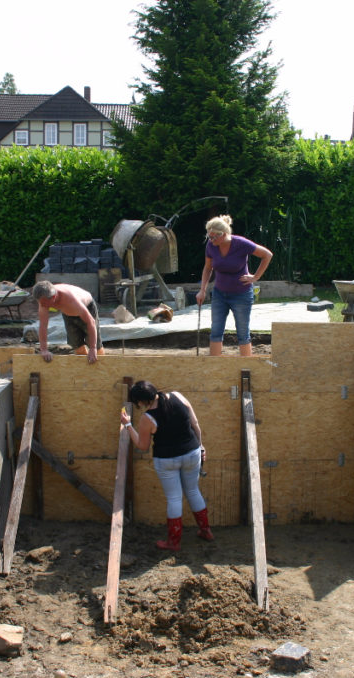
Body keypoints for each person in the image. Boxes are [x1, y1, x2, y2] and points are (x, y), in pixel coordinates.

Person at [120, 380, 214, 550]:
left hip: (167, 460)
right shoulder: (178, 396)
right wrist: (200, 446)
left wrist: (127, 425)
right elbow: (196, 425)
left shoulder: (147, 418)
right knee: (193, 491)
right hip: (192, 453)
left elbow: (142, 446)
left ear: (141, 401)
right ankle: (206, 531)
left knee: (174, 498)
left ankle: (174, 542)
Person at [195, 215, 272, 357]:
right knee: (216, 330)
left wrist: (255, 277)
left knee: (242, 332)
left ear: (223, 234)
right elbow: (207, 268)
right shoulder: (211, 246)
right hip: (219, 294)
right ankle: (215, 367)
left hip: (241, 295)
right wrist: (202, 290)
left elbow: (267, 255)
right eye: (209, 237)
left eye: (213, 237)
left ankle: (247, 368)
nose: (210, 240)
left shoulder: (241, 244)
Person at [32, 281, 104, 363]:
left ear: (53, 297)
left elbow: (91, 322)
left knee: (95, 346)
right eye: (40, 303)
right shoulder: (44, 298)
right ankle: (83, 368)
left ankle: (101, 364)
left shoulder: (72, 300)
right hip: (68, 312)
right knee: (76, 343)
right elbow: (43, 325)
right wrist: (44, 350)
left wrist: (92, 348)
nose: (42, 305)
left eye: (44, 303)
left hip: (86, 307)